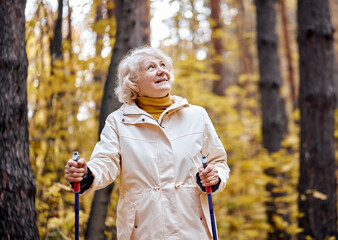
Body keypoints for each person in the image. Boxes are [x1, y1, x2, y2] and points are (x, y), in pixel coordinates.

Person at [65, 46, 230, 240]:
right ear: (133, 83)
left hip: (193, 229)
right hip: (144, 231)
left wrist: (215, 177)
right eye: (151, 67)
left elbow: (218, 162)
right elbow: (105, 162)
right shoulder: (118, 122)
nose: (161, 70)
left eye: (163, 65)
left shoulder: (197, 115)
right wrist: (85, 174)